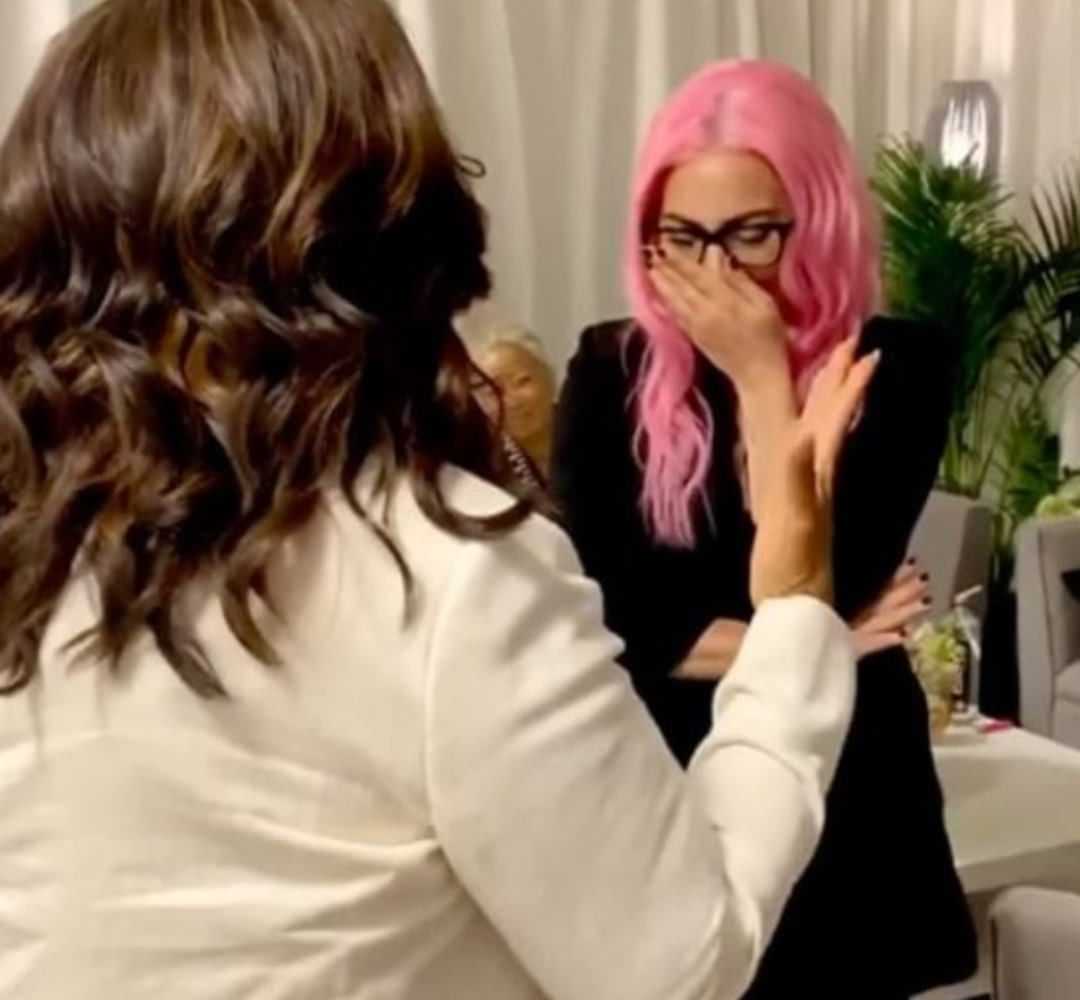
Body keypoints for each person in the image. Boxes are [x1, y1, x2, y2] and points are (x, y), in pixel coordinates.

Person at [0, 4, 874, 998]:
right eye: (684, 235)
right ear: (386, 222)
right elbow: (681, 968)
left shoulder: (28, 540)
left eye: (752, 231)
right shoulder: (446, 579)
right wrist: (794, 607)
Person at [552, 60, 977, 999]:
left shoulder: (898, 368)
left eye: (751, 234)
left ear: (816, 220)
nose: (718, 272)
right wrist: (825, 645)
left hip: (857, 808)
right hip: (675, 794)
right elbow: (611, 618)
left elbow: (827, 575)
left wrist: (760, 377)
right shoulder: (608, 369)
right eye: (682, 238)